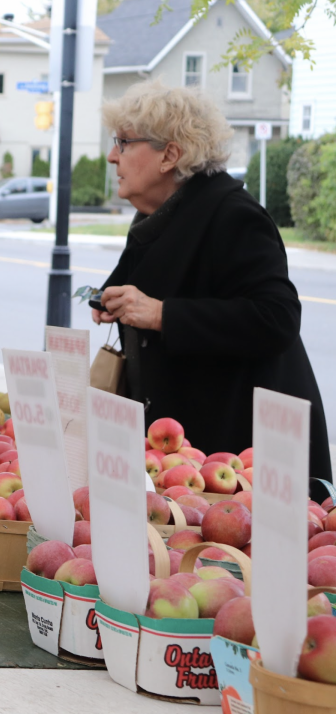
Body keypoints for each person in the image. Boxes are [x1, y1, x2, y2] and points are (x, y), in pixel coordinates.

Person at [93, 80, 331, 484]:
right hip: (188, 453)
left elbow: (276, 318)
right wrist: (107, 299)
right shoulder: (157, 217)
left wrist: (162, 315)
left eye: (124, 142)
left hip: (246, 459)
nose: (113, 156)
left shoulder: (232, 215)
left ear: (169, 155)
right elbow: (143, 281)